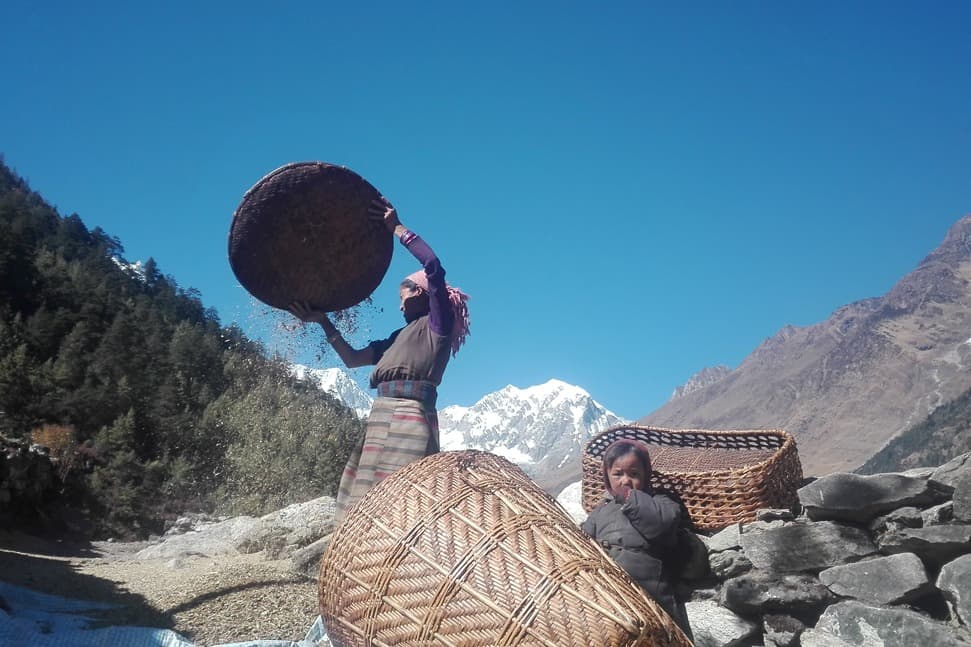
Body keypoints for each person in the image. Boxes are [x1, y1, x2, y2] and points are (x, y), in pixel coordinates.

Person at [288, 197, 470, 523]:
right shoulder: (394, 340)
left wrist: (396, 228)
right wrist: (322, 321)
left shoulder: (437, 327)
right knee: (364, 503)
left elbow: (434, 267)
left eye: (404, 298)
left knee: (403, 503)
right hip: (380, 416)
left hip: (411, 418)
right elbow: (352, 359)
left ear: (422, 294)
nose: (400, 308)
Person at [580, 439, 692, 637]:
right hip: (609, 594)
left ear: (646, 475)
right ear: (607, 476)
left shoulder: (661, 501)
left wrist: (631, 499)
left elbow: (662, 524)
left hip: (650, 595)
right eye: (617, 474)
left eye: (634, 474)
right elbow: (582, 542)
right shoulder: (600, 511)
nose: (625, 481)